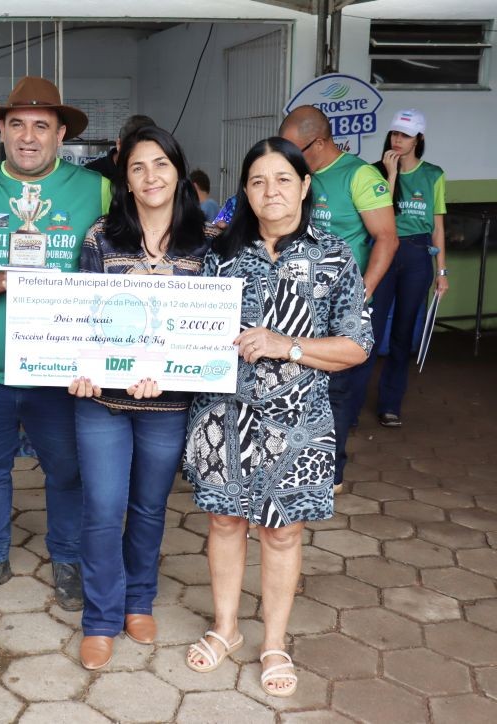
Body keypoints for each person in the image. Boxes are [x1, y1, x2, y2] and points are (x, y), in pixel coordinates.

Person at [183, 137, 372, 698]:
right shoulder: (216, 252)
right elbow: (176, 324)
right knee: (224, 523)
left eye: (283, 180)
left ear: (305, 185)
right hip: (222, 416)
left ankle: (274, 641)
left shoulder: (333, 256)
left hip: (299, 422)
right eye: (258, 181)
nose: (271, 192)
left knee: (283, 533)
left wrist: (285, 345)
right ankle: (225, 630)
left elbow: (357, 346)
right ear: (244, 189)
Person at [0, 76, 110, 610]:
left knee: (68, 471)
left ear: (61, 134)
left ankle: (65, 559)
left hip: (61, 372)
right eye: (17, 124)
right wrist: (4, 278)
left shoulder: (97, 189)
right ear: (1, 130)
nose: (28, 136)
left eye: (42, 125)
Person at [67, 125, 209, 670]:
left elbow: (209, 330)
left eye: (161, 165)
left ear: (178, 171)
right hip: (101, 401)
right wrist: (78, 371)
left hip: (168, 404)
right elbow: (81, 321)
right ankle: (100, 617)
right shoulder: (101, 238)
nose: (150, 177)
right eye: (137, 167)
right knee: (103, 508)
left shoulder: (208, 244)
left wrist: (171, 370)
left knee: (149, 507)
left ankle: (138, 600)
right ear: (124, 179)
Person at [279, 106, 396, 491]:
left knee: (339, 389)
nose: (289, 156)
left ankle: (332, 474)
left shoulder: (359, 175)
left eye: (295, 149)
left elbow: (386, 238)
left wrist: (361, 294)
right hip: (297, 299)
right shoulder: (299, 175)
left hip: (341, 300)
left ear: (320, 142)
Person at [369, 110, 447, 427]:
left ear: (419, 139)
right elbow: (381, 213)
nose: (397, 140)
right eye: (394, 134)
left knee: (402, 333)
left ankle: (390, 405)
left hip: (417, 254)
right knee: (369, 330)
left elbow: (439, 227)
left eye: (405, 135)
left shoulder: (434, 175)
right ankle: (349, 405)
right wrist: (390, 175)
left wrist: (442, 272)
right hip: (385, 249)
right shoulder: (377, 171)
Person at [84, 114, 157, 178]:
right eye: (132, 151)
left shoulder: (156, 173)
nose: (139, 158)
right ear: (119, 144)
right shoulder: (91, 174)